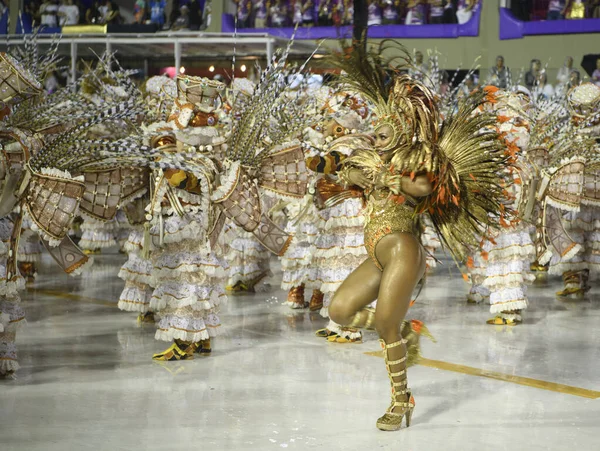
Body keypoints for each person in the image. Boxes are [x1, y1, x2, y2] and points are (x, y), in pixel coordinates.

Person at [327, 40, 510, 432]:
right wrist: (349, 173)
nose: (377, 131)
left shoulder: (416, 158)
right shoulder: (370, 157)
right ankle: (406, 329)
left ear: (402, 128)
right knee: (339, 312)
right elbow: (344, 173)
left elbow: (425, 186)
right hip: (376, 254)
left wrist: (386, 176)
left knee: (384, 328)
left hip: (402, 250)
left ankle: (400, 399)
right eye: (376, 126)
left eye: (385, 126)